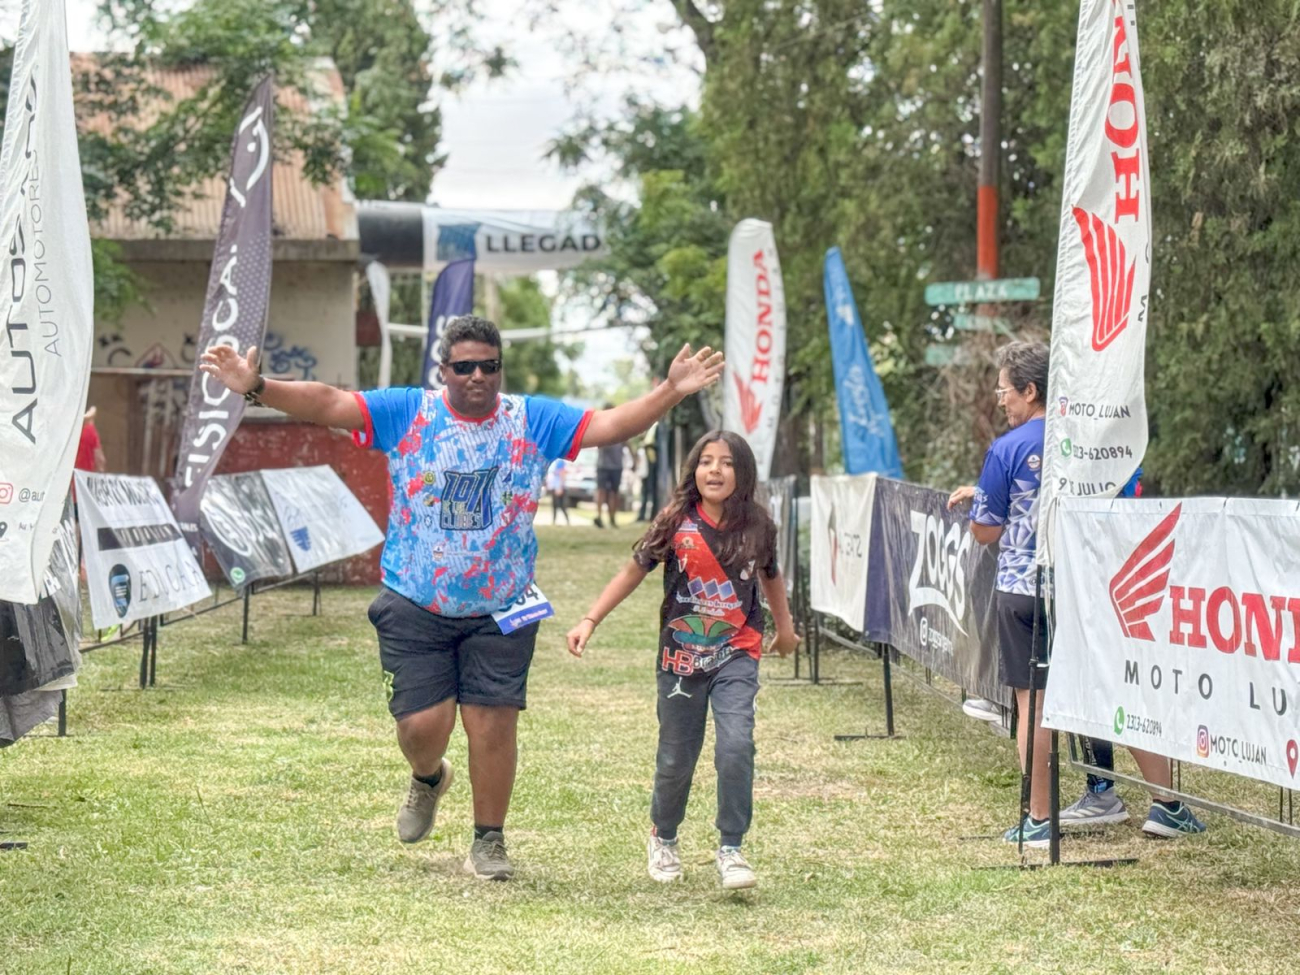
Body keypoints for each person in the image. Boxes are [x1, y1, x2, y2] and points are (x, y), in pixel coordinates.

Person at [200, 315, 724, 881]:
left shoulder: (531, 419)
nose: (478, 376)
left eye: (489, 366)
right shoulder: (410, 411)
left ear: (501, 369)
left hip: (502, 606)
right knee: (422, 729)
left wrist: (670, 390)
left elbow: (611, 424)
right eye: (465, 366)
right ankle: (428, 777)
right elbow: (328, 402)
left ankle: (489, 841)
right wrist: (257, 387)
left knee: (492, 724)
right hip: (414, 600)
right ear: (443, 370)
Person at [947, 341, 1204, 848]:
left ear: (1030, 390)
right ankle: (1167, 805)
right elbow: (1116, 496)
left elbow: (986, 533)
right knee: (1114, 696)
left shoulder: (1008, 448)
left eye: (1005, 391)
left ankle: (1039, 820)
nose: (1001, 400)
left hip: (1023, 590)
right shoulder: (1092, 442)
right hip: (1086, 590)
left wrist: (986, 503)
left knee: (1034, 705)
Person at [566, 431, 800, 890]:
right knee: (676, 757)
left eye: (727, 462)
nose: (715, 470)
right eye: (706, 461)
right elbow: (633, 569)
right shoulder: (676, 521)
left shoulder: (758, 525)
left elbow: (771, 576)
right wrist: (590, 619)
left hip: (737, 651)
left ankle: (731, 848)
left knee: (736, 747)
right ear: (693, 470)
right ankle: (664, 835)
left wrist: (785, 629)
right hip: (680, 657)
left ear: (743, 472)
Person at [593, 419, 626, 529]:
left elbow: (627, 443)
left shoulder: (621, 430)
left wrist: (634, 458)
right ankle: (599, 517)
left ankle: (612, 518)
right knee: (601, 491)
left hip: (617, 466)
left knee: (614, 493)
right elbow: (599, 445)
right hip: (603, 465)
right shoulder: (601, 429)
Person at [636, 421, 659, 522]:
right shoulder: (650, 426)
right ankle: (642, 515)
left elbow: (651, 443)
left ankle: (651, 515)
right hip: (645, 464)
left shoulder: (656, 426)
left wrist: (645, 444)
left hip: (652, 463)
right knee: (644, 491)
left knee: (651, 491)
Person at [547, 458, 570, 526]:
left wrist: (560, 487)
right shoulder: (553, 461)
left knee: (562, 505)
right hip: (554, 487)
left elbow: (562, 473)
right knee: (554, 505)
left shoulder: (559, 461)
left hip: (558, 487)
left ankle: (567, 521)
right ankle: (554, 521)